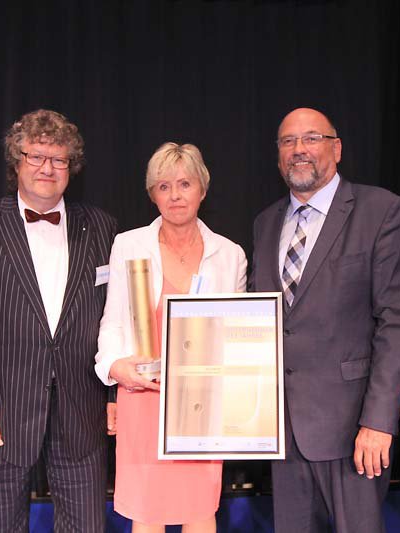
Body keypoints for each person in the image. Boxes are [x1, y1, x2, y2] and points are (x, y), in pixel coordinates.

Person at [0, 109, 117, 531]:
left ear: (71, 167)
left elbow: (116, 317)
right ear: (16, 162)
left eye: (58, 159)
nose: (46, 168)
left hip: (82, 412)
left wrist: (114, 397)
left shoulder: (103, 227)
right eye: (35, 156)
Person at [250, 107, 400, 532]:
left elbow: (396, 323)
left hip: (352, 432)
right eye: (288, 141)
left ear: (337, 148)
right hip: (282, 433)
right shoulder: (265, 223)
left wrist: (378, 421)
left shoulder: (380, 210)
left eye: (311, 138)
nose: (299, 149)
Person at [95, 142, 247, 533]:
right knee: (148, 512)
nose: (175, 195)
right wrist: (114, 367)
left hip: (202, 404)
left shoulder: (230, 254)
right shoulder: (128, 245)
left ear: (202, 189)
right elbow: (112, 321)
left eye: (184, 184)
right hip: (143, 395)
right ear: (152, 195)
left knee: (200, 509)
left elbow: (238, 335)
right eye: (164, 186)